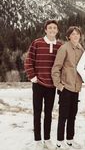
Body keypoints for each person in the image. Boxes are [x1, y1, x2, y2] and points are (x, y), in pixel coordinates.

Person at [24, 19, 62, 150]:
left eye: (54, 28)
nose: (52, 30)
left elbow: (62, 65)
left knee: (48, 113)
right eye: (49, 28)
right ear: (45, 30)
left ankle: (47, 139)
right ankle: (38, 140)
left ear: (57, 31)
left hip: (52, 85)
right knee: (37, 112)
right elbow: (28, 61)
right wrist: (32, 77)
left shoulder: (60, 45)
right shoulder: (37, 43)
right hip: (38, 83)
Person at [51, 26, 84, 149]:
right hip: (66, 88)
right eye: (73, 34)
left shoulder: (81, 49)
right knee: (63, 115)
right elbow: (56, 68)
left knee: (72, 115)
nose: (75, 36)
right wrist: (59, 85)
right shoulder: (64, 48)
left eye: (77, 34)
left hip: (76, 88)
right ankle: (60, 142)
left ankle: (70, 139)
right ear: (69, 36)